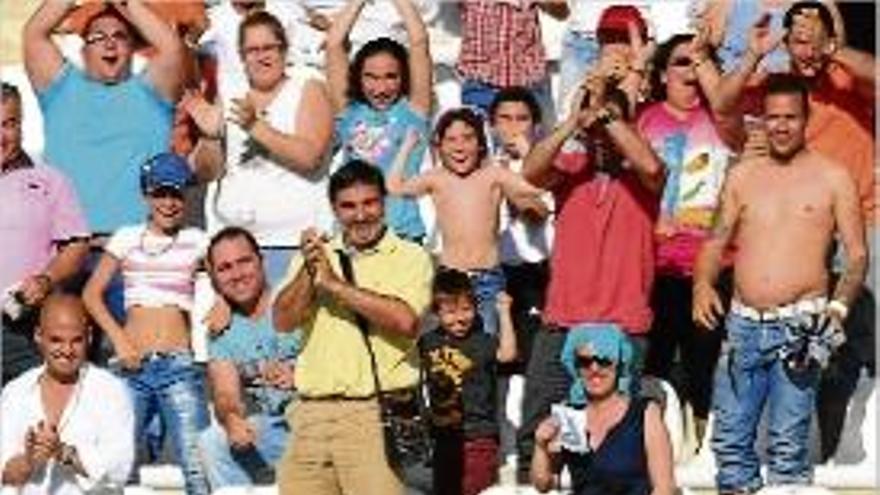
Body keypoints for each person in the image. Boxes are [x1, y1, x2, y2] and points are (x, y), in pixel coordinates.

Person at [692, 74, 867, 493]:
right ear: (761, 122)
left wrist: (837, 310)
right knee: (730, 443)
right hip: (741, 325)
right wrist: (702, 284)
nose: (782, 126)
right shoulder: (742, 176)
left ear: (807, 119)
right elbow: (715, 241)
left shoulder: (833, 177)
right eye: (773, 118)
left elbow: (858, 255)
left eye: (791, 117)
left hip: (801, 326)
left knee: (788, 447)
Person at [517, 79, 665, 481]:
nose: (601, 133)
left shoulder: (644, 175)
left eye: (610, 122)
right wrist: (571, 124)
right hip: (562, 324)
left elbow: (652, 167)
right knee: (537, 438)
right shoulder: (569, 172)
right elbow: (531, 170)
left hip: (622, 328)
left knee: (621, 444)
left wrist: (609, 116)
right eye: (595, 124)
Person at [273, 160, 433, 494]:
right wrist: (310, 267)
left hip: (374, 414)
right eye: (348, 206)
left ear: (384, 203)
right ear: (334, 209)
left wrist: (335, 285)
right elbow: (283, 321)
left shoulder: (410, 255)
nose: (360, 215)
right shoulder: (315, 256)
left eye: (369, 203)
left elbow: (406, 321)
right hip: (311, 415)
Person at [82, 153, 210, 495]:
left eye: (176, 194)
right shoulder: (127, 237)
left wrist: (224, 304)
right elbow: (91, 294)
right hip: (131, 365)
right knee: (114, 463)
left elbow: (228, 278)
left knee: (199, 465)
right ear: (146, 196)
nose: (168, 202)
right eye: (160, 194)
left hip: (179, 365)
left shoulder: (197, 240)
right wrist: (120, 341)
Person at [638, 33, 739, 443]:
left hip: (713, 265)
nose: (691, 71)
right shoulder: (644, 121)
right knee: (656, 362)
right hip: (657, 263)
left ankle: (701, 443)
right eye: (681, 62)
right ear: (662, 74)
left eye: (699, 63)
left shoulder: (725, 119)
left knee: (704, 361)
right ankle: (658, 445)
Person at [187, 9, 335, 284]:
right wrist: (209, 138)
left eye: (269, 47)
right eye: (252, 50)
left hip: (294, 242)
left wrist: (255, 127)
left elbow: (310, 156)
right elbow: (207, 173)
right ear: (242, 57)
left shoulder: (308, 86)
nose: (262, 56)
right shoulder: (231, 91)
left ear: (284, 50)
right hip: (235, 248)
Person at [23, 0, 184, 233]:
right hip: (67, 247)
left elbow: (171, 46)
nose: (110, 43)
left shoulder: (153, 93)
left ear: (132, 50)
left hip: (137, 249)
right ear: (83, 51)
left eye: (120, 37)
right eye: (98, 37)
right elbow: (34, 33)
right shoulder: (61, 88)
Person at [387, 107, 546, 337]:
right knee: (453, 349)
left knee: (489, 343)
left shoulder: (493, 174)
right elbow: (395, 187)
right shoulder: (436, 177)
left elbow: (535, 188)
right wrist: (408, 146)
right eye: (450, 140)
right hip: (451, 277)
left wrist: (525, 152)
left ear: (480, 144)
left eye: (468, 138)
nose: (459, 147)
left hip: (488, 278)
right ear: (439, 147)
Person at [1, 294, 135, 494]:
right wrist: (29, 460)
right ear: (38, 336)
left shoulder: (110, 391)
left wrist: (63, 453)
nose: (67, 350)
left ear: (89, 337)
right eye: (56, 340)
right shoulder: (15, 392)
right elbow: (6, 474)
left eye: (76, 341)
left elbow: (118, 471)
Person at [1, 81, 89, 385]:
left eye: (9, 124)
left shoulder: (50, 180)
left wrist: (46, 280)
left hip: (27, 327)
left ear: (22, 125)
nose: (1, 135)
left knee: (36, 422)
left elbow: (77, 246)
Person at [198, 227, 298, 488]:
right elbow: (225, 393)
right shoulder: (221, 329)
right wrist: (231, 418)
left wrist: (300, 375)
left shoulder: (293, 301)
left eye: (245, 262)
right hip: (276, 428)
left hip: (319, 421)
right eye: (225, 268)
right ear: (215, 277)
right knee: (213, 442)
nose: (238, 274)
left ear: (261, 261)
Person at [325, 0, 432, 242]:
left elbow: (418, 42)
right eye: (371, 77)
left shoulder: (413, 112)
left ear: (403, 77)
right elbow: (333, 45)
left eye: (390, 77)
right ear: (358, 78)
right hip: (355, 234)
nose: (381, 88)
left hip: (403, 234)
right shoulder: (349, 112)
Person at [530, 325, 675, 495]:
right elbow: (543, 484)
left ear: (619, 365)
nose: (594, 369)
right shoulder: (569, 414)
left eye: (604, 361)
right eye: (584, 362)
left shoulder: (645, 413)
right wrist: (540, 446)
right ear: (575, 366)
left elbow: (665, 487)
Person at [420, 269, 517, 495]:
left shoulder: (482, 341)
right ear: (437, 313)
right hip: (442, 438)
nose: (460, 318)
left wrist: (504, 312)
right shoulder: (428, 341)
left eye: (466, 309)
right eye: (450, 312)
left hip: (479, 437)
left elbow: (508, 354)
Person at [489, 87, 554, 368]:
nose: (512, 127)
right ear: (492, 125)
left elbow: (537, 212)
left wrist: (522, 170)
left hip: (536, 270)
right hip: (495, 270)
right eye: (504, 119)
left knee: (534, 356)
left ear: (536, 125)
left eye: (521, 119)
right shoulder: (483, 165)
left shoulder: (547, 166)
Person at [456, 0, 568, 122]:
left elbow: (562, 14)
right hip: (479, 83)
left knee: (526, 140)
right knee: (480, 138)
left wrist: (552, 4)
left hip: (526, 85)